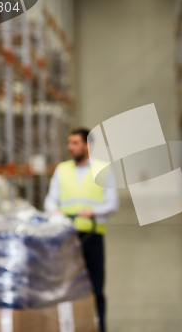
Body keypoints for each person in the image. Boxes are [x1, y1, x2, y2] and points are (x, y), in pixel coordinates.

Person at [44, 128, 118, 332]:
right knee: (66, 286)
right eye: (69, 143)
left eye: (75, 143)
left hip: (92, 236)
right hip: (66, 238)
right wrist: (55, 211)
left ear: (88, 145)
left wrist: (92, 211)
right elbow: (50, 199)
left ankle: (99, 326)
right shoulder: (62, 169)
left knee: (95, 287)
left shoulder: (103, 170)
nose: (71, 147)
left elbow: (112, 203)